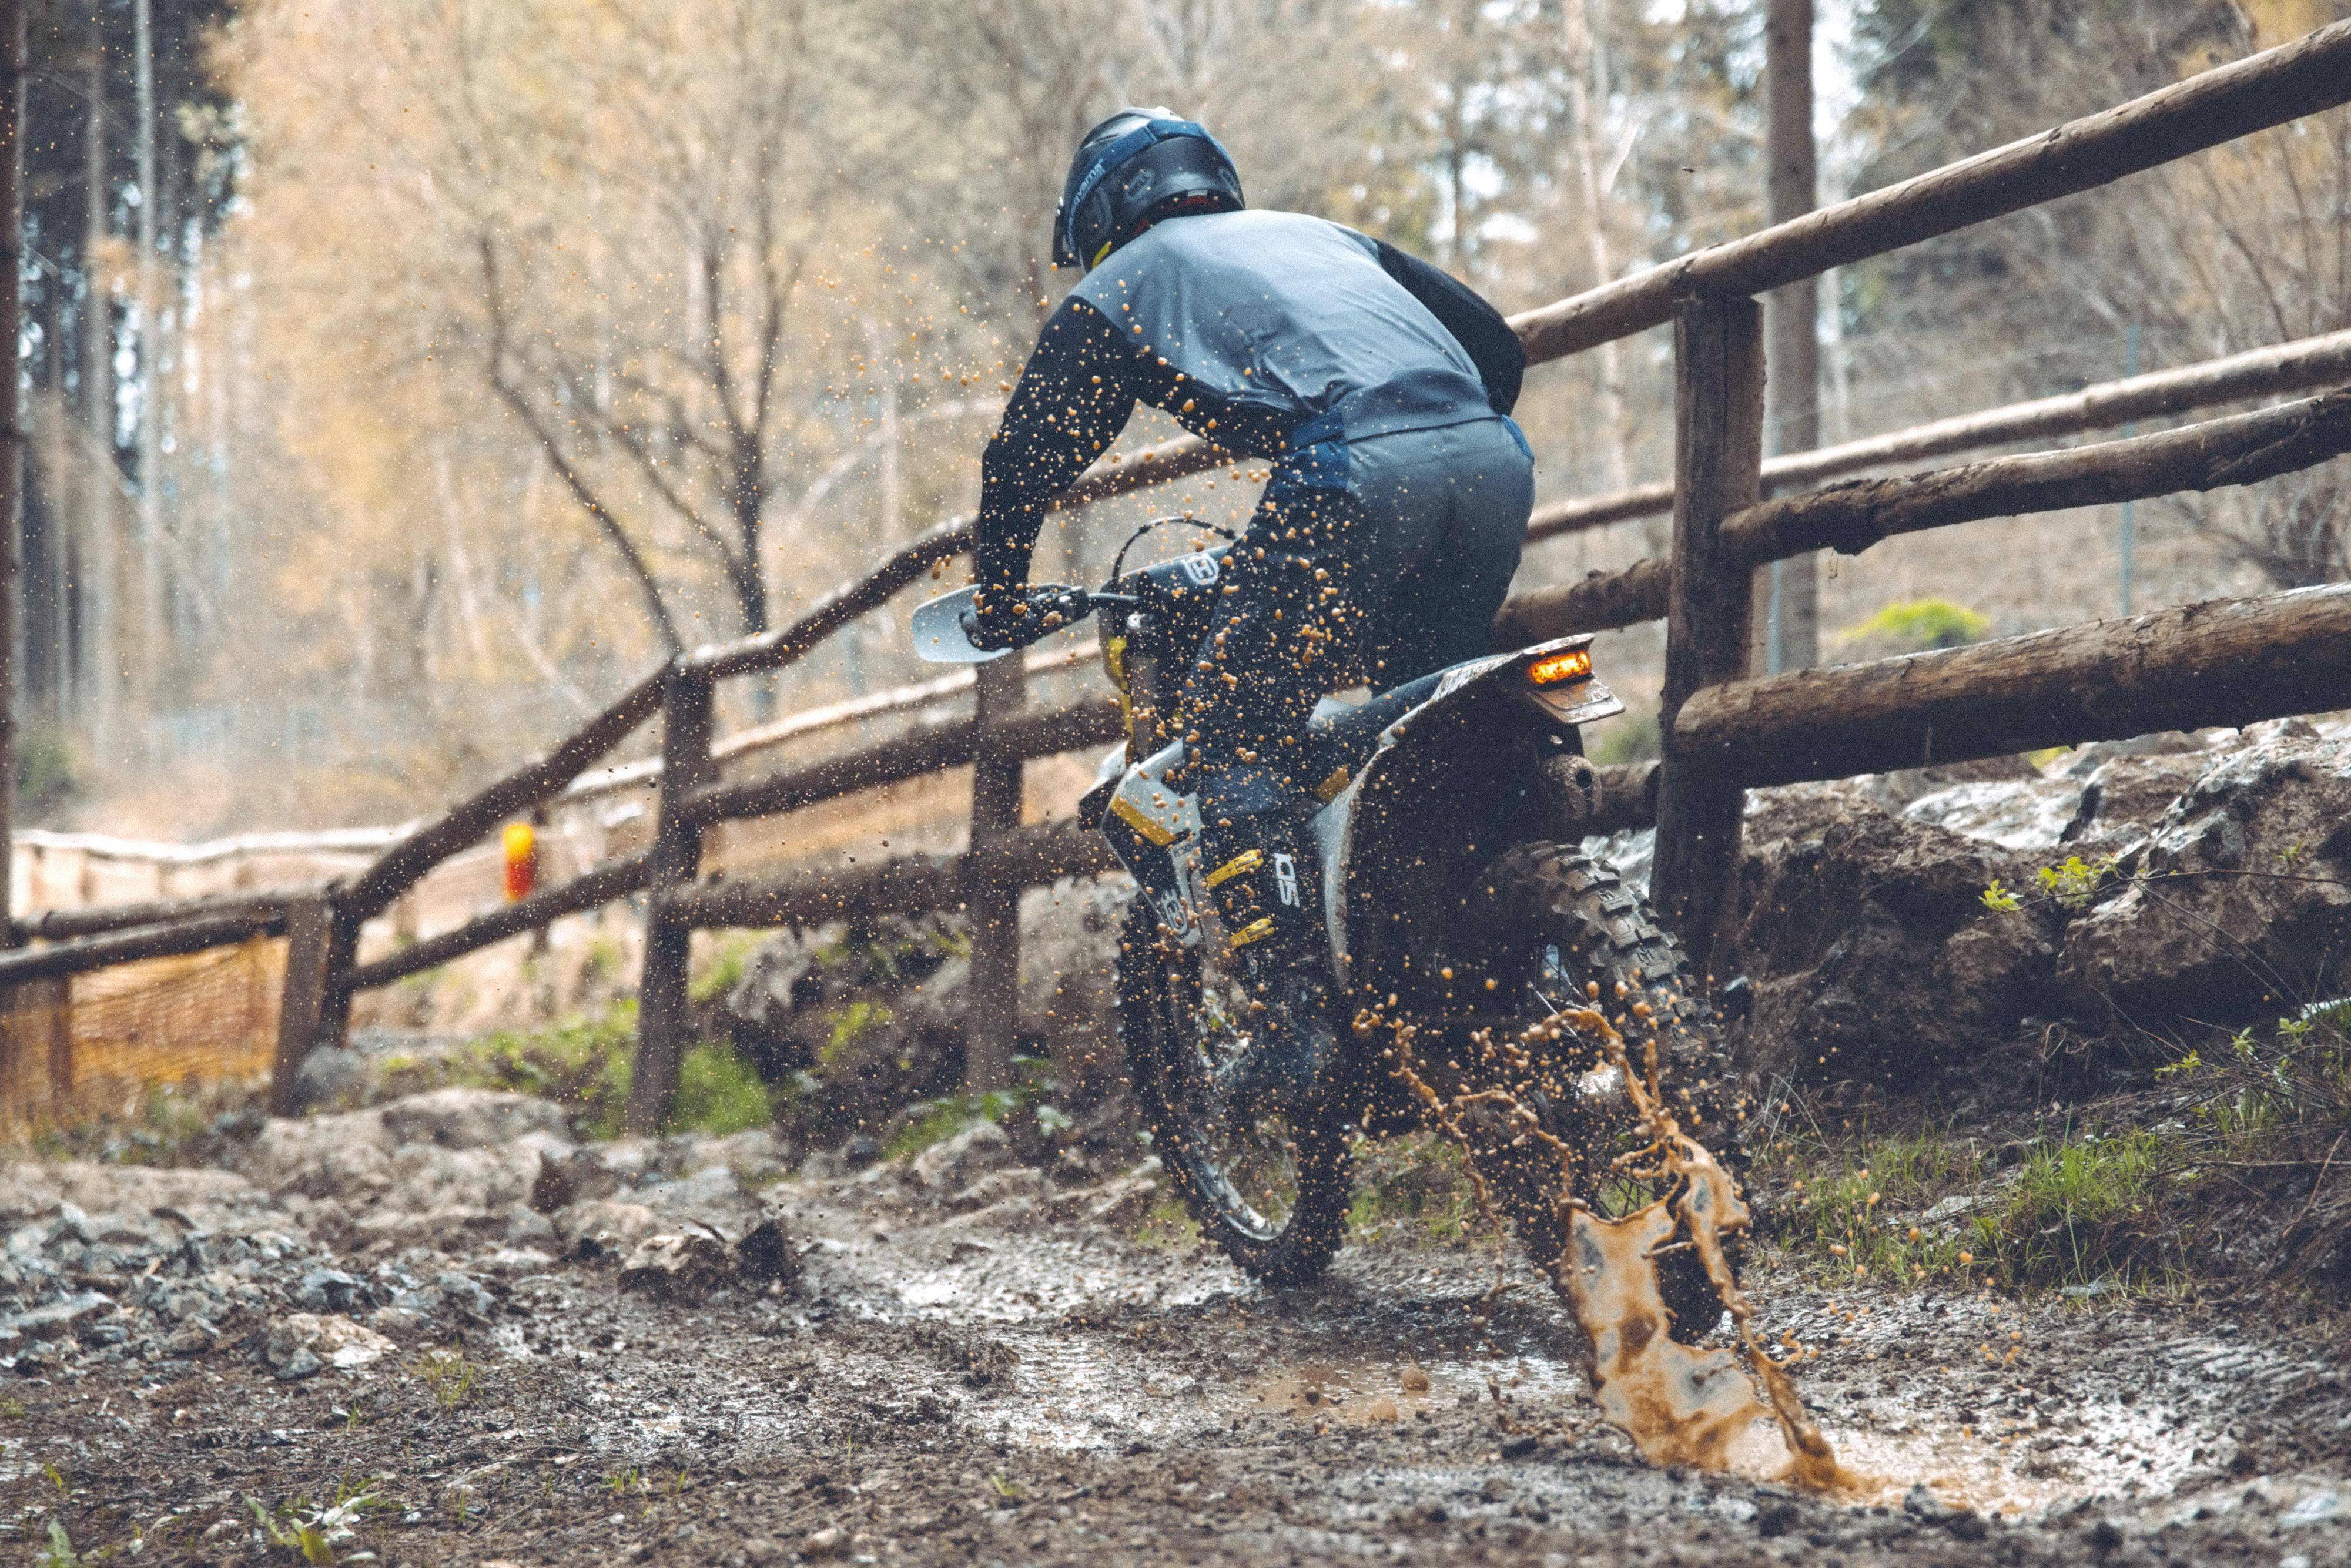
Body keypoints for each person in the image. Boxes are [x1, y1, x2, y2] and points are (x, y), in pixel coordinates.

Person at [968, 106, 1532, 1107]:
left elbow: (1024, 462)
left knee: (1232, 726)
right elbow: (1496, 346)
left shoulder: (1123, 283)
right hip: (1491, 460)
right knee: (1422, 723)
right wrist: (1437, 443)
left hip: (1352, 473)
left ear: (1099, 215)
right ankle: (1488, 971)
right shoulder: (1322, 236)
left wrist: (1003, 594)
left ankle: (1293, 1022)